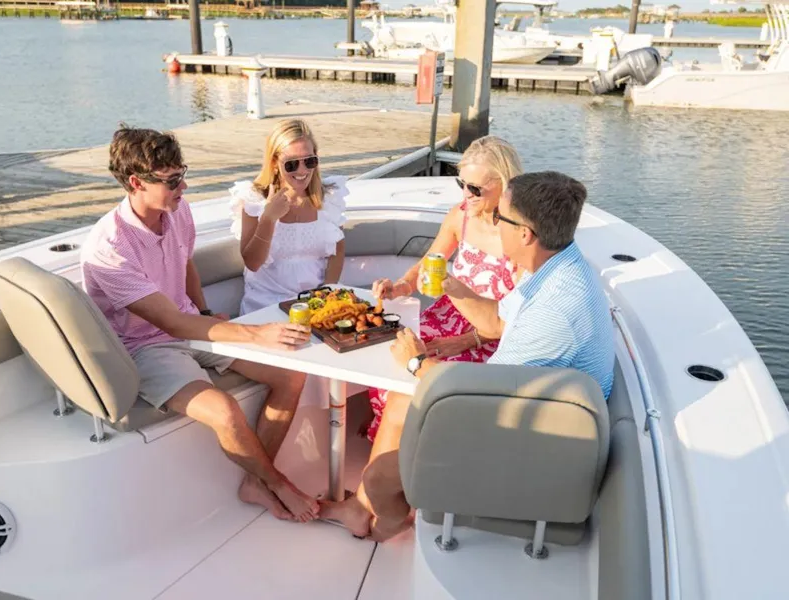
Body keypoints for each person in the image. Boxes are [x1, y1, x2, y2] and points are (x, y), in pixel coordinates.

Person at [322, 171, 616, 540]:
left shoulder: (554, 310)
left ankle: (391, 514)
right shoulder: (555, 267)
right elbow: (496, 322)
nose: (494, 223)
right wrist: (454, 288)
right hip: (536, 408)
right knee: (399, 400)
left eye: (501, 218)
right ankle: (368, 511)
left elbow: (481, 397)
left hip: (534, 443)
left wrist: (418, 362)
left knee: (377, 477)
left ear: (524, 233)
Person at [81, 125, 319, 523]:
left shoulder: (177, 210)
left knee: (291, 377)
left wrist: (206, 313)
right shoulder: (108, 248)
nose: (184, 186)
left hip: (190, 325)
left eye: (183, 173)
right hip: (144, 348)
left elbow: (185, 263)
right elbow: (170, 323)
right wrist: (256, 333)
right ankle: (277, 483)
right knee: (224, 411)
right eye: (173, 180)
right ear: (136, 182)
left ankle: (253, 482)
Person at [366, 136, 523, 441]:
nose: (467, 194)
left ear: (506, 184)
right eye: (462, 184)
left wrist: (468, 340)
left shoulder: (520, 234)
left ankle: (412, 453)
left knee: (420, 387)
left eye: (476, 188)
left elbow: (516, 319)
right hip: (449, 314)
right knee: (386, 361)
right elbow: (428, 263)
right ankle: (387, 443)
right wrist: (399, 287)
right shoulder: (461, 215)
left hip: (492, 334)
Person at [230, 119, 347, 315]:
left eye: (309, 161)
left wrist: (327, 292)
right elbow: (252, 262)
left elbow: (338, 250)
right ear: (274, 163)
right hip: (265, 307)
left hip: (315, 304)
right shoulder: (254, 200)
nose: (302, 171)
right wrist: (268, 218)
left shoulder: (329, 199)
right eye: (292, 164)